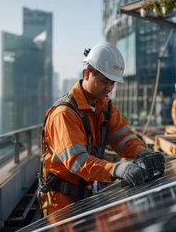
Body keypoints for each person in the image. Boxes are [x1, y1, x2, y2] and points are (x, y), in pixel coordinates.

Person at [38, 43, 164, 215]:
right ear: (88, 74)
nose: (109, 88)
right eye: (104, 81)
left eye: (112, 83)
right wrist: (114, 169)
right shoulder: (64, 113)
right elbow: (77, 161)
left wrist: (143, 153)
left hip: (85, 193)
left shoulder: (104, 107)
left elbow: (124, 137)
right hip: (61, 202)